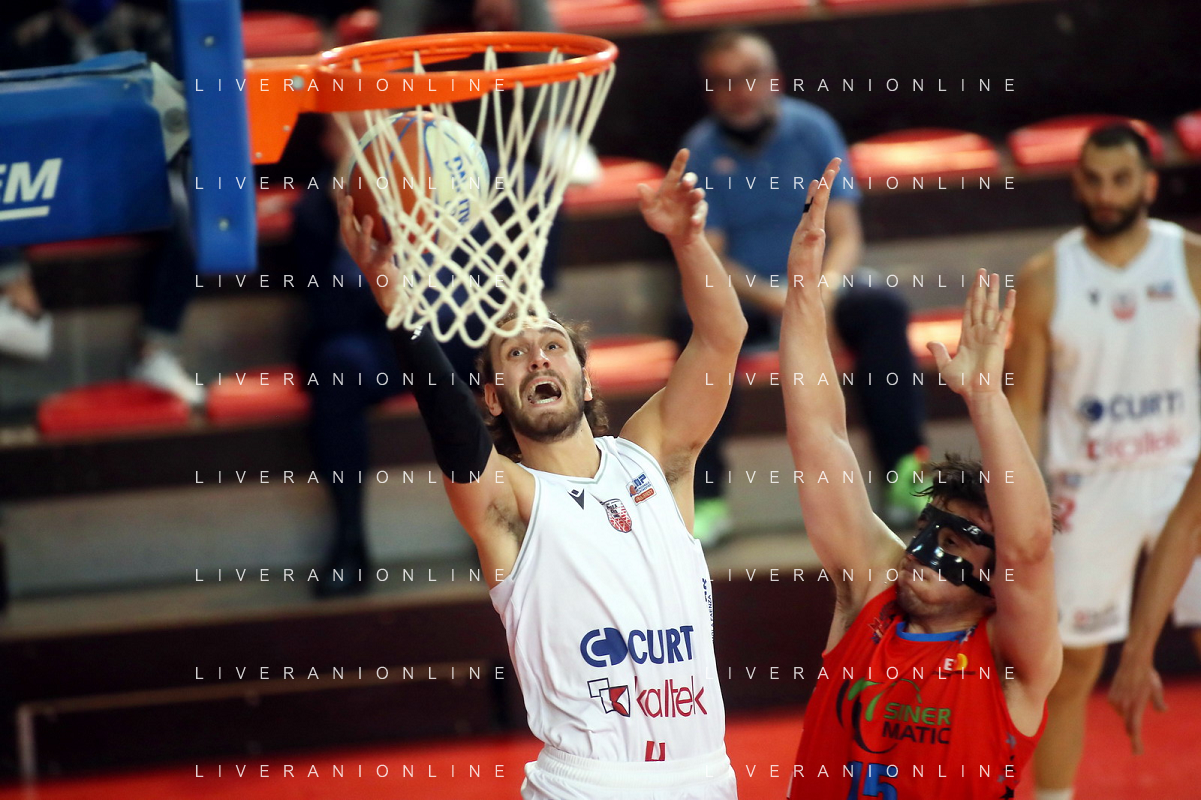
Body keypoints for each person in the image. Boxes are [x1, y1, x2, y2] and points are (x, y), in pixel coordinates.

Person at [339, 149, 744, 798]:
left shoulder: (653, 457)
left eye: (554, 345)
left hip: (706, 776)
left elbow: (723, 337)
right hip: (589, 785)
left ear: (586, 381)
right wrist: (397, 303)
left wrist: (687, 240)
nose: (537, 358)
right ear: (494, 398)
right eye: (516, 354)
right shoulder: (512, 499)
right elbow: (454, 432)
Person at [784, 159, 1060, 798]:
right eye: (929, 530)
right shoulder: (870, 594)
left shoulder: (1012, 658)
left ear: (994, 579)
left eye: (956, 540)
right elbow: (820, 440)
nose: (925, 549)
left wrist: (985, 397)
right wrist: (803, 293)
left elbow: (1029, 547)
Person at [1005, 123, 1201, 799]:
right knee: (1069, 668)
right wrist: (1016, 508)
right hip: (1085, 487)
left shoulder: (1191, 262)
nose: (1105, 194)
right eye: (1093, 179)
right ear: (1076, 182)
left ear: (1149, 184)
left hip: (1184, 478)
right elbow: (1022, 409)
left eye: (1121, 180)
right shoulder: (1045, 278)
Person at [678, 29, 930, 542]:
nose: (739, 91)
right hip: (749, 296)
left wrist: (821, 292)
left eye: (750, 76)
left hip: (821, 284)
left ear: (775, 79)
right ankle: (706, 497)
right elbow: (712, 256)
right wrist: (779, 299)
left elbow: (847, 234)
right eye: (724, 81)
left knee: (883, 307)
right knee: (693, 325)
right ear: (709, 91)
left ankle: (905, 473)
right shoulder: (699, 151)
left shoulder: (814, 130)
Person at [0, 0, 202, 403]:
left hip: (125, 170)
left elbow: (173, 114)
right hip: (47, 171)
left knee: (187, 211)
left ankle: (154, 350)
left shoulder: (148, 30)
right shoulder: (26, 40)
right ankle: (15, 296)